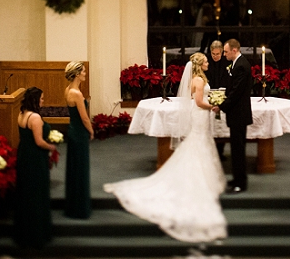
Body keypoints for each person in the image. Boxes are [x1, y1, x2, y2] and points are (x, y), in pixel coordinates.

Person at [104, 52, 227, 242]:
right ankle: (197, 178)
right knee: (199, 142)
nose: (208, 63)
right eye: (206, 61)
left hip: (197, 116)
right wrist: (214, 105)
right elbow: (199, 102)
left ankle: (198, 174)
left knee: (198, 142)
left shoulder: (194, 79)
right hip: (201, 114)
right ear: (199, 64)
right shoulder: (200, 81)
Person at [14, 87, 58, 249]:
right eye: (41, 98)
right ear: (35, 99)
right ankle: (37, 234)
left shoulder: (21, 114)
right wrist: (51, 147)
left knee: (26, 192)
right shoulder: (36, 118)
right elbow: (39, 141)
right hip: (35, 157)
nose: (43, 101)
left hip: (23, 155)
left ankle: (24, 232)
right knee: (37, 193)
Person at [216, 38, 253, 193]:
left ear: (234, 50)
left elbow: (236, 91)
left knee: (238, 149)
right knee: (236, 149)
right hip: (236, 113)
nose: (224, 54)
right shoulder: (237, 64)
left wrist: (221, 105)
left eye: (225, 51)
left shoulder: (242, 66)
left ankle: (241, 182)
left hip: (239, 113)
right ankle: (237, 178)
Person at [64, 61, 94, 219]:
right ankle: (80, 207)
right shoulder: (77, 93)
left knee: (74, 167)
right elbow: (84, 118)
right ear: (76, 74)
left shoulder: (68, 89)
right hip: (80, 132)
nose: (85, 73)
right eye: (83, 71)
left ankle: (72, 205)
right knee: (80, 168)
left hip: (72, 130)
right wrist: (91, 130)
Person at [204, 40, 230, 160]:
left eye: (217, 54)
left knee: (220, 125)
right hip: (208, 95)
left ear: (221, 53)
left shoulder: (226, 62)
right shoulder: (206, 61)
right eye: (213, 54)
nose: (215, 56)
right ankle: (209, 151)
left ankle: (220, 152)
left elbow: (228, 78)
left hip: (222, 95)